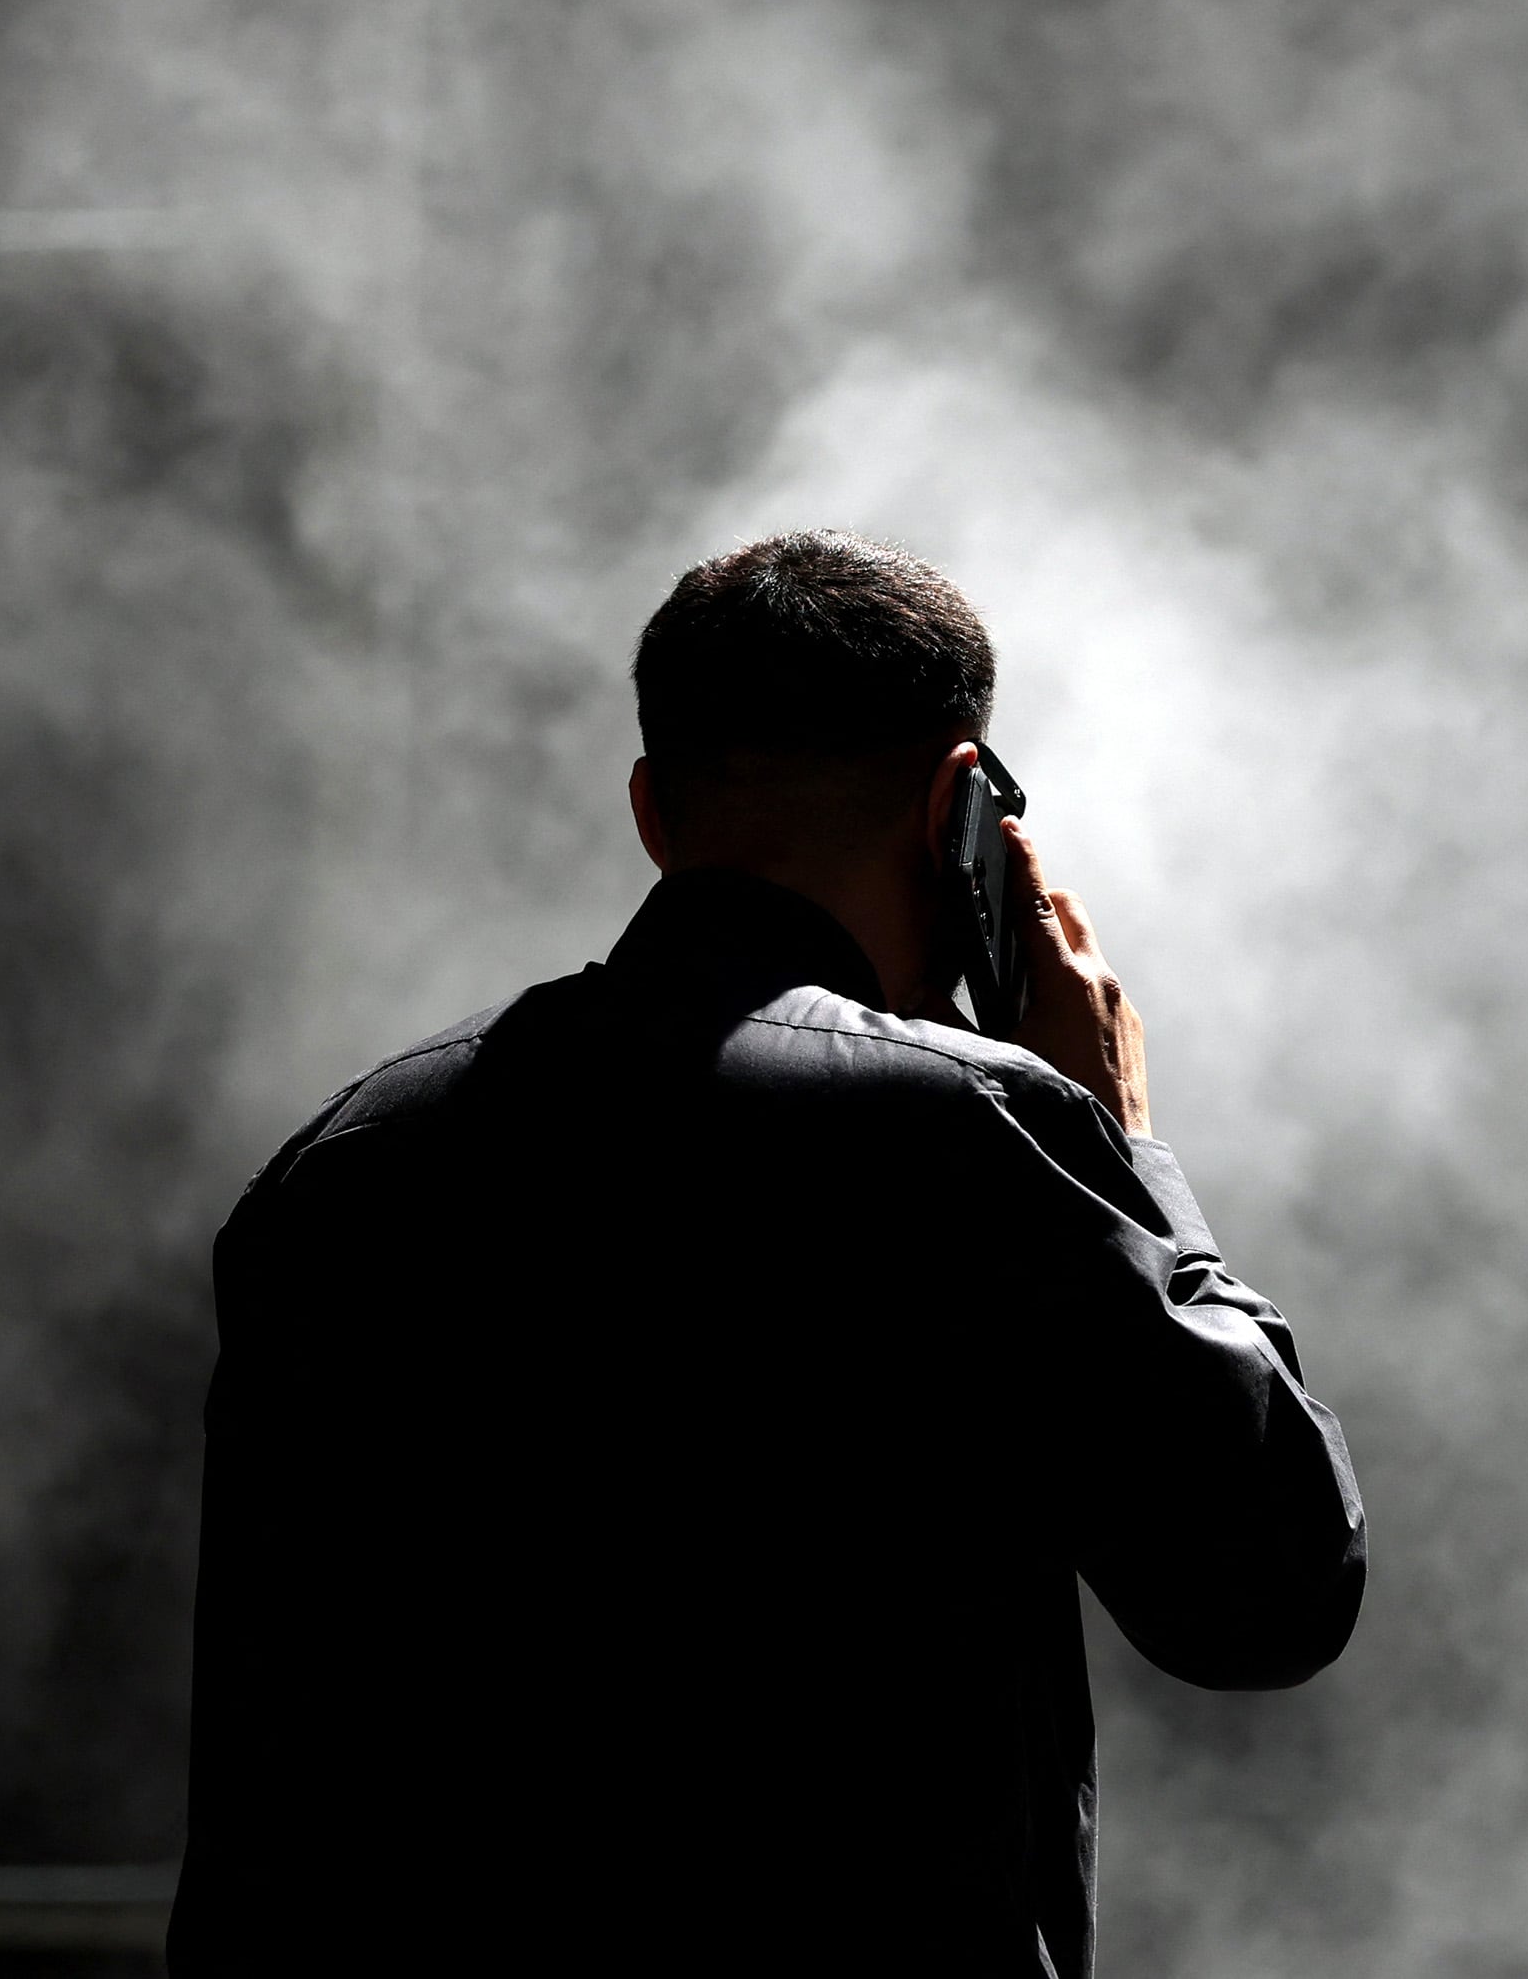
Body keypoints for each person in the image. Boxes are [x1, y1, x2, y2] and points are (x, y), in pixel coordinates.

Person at [167, 530, 1364, 1977]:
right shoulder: (973, 1131)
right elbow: (1267, 1587)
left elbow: (262, 1775)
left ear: (652, 810)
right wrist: (1128, 1146)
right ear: (961, 806)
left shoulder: (343, 1170)